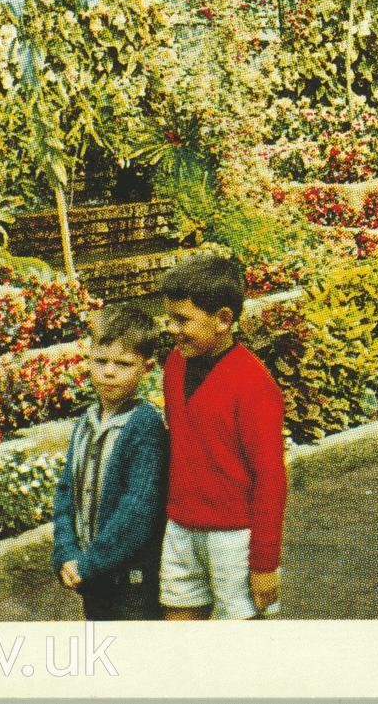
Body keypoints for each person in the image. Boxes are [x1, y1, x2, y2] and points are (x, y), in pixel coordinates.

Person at [159, 252, 286, 620]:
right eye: (170, 318)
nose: (173, 328)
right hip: (181, 527)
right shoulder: (175, 365)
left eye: (183, 319)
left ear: (223, 320)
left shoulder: (253, 385)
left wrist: (264, 564)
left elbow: (270, 478)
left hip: (234, 538)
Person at [52, 303, 169, 621]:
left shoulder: (144, 425)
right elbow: (66, 493)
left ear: (147, 367)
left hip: (131, 584)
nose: (109, 371)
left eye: (123, 363)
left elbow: (138, 511)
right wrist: (66, 553)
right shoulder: (86, 421)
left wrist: (87, 563)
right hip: (91, 579)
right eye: (100, 360)